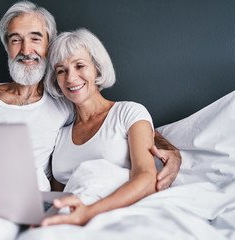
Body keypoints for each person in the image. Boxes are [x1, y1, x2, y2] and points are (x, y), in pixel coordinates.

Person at [0, 1, 180, 192]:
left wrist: (170, 150)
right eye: (16, 40)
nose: (26, 50)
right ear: (7, 47)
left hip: (35, 201)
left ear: (48, 45)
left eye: (35, 39)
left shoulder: (64, 100)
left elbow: (113, 118)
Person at [41, 28, 159, 226]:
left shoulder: (129, 113)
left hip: (116, 218)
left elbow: (147, 178)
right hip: (70, 222)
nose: (70, 78)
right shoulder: (59, 135)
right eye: (61, 70)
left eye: (79, 66)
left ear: (96, 67)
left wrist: (88, 213)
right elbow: (59, 197)